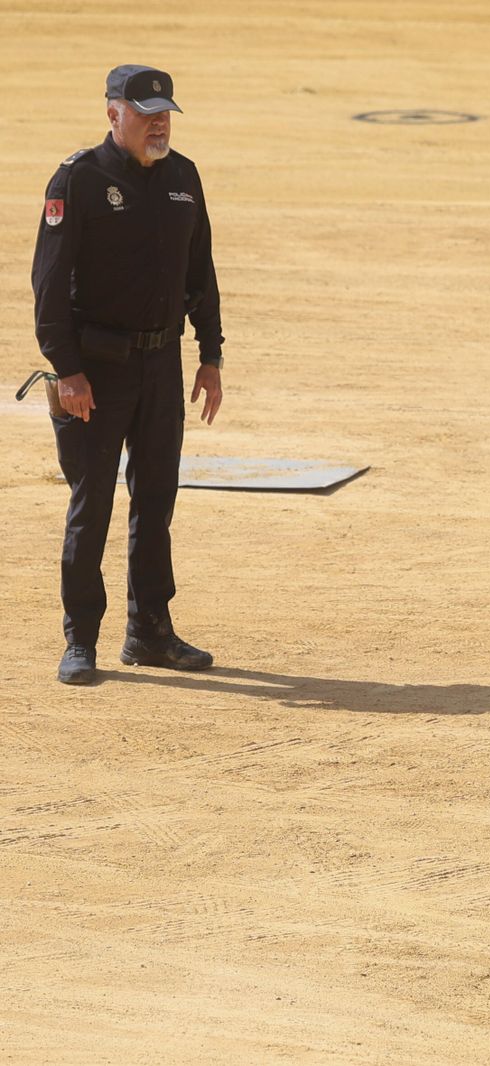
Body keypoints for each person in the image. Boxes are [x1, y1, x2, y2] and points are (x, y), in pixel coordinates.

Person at [32, 65, 225, 683]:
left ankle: (149, 632)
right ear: (113, 112)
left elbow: (202, 273)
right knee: (92, 507)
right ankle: (80, 639)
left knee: (156, 502)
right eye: (145, 111)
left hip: (161, 367)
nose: (158, 121)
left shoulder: (184, 177)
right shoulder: (80, 179)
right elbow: (49, 287)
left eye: (165, 110)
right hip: (97, 374)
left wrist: (211, 355)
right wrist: (67, 371)